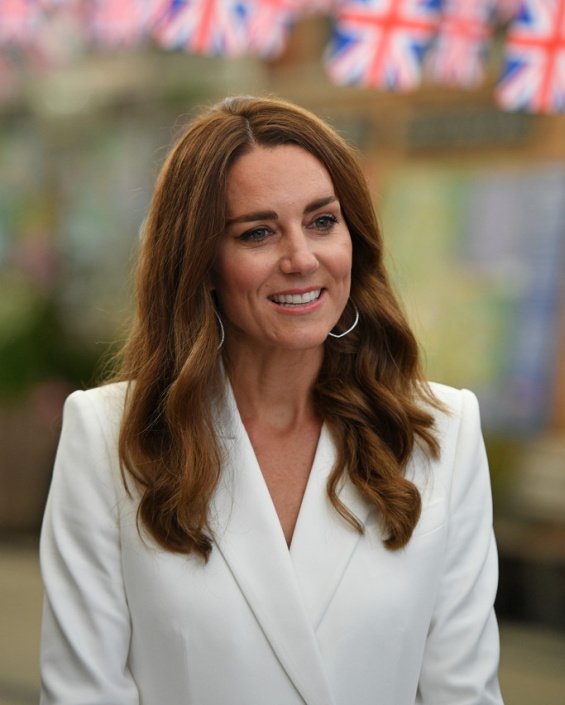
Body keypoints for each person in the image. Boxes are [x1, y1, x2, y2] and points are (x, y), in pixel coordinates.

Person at [39, 95, 504, 705]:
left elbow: (463, 693)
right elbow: (83, 694)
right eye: (258, 232)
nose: (301, 259)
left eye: (322, 221)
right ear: (201, 263)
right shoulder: (108, 436)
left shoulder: (441, 432)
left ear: (354, 236)